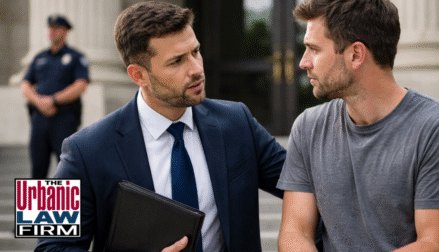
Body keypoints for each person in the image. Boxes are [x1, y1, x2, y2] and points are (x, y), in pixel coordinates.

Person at [34, 2, 286, 252]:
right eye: (177, 61)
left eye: (195, 52)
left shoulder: (237, 120)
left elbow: (306, 184)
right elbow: (47, 247)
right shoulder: (80, 148)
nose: (197, 69)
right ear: (138, 75)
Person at [276, 0, 439, 251]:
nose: (303, 62)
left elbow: (435, 245)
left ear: (356, 55)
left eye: (314, 49)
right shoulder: (308, 127)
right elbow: (295, 232)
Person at [21, 14, 89, 179]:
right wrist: (39, 102)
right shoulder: (39, 57)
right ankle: (37, 206)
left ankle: (63, 206)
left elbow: (81, 84)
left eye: (57, 28)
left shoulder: (75, 57)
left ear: (66, 32)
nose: (52, 32)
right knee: (37, 169)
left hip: (64, 118)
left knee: (66, 169)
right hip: (39, 119)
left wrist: (53, 100)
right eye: (50, 28)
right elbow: (25, 84)